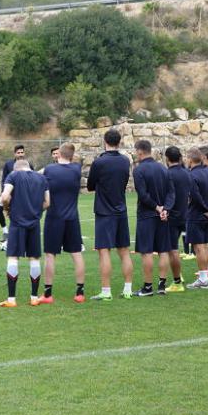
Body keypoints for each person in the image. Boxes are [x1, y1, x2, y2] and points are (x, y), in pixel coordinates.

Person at [86, 129, 133, 301]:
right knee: (124, 251)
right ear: (119, 142)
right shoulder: (125, 161)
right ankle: (128, 289)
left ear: (105, 141)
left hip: (104, 212)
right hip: (121, 209)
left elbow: (90, 185)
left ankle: (106, 291)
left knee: (104, 251)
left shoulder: (99, 162)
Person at [0, 159, 49, 307]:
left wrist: (6, 207)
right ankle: (34, 297)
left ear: (15, 169)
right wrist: (36, 211)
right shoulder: (42, 178)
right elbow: (47, 202)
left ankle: (12, 299)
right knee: (34, 259)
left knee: (13, 258)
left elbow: (5, 196)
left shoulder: (13, 176)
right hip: (34, 223)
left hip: (17, 223)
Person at [41, 142, 85, 304]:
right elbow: (74, 160)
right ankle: (80, 292)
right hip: (72, 218)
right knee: (76, 253)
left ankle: (47, 294)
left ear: (58, 154)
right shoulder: (76, 169)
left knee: (50, 255)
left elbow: (39, 179)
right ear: (72, 156)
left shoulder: (50, 169)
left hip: (54, 217)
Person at [131, 140, 175, 297]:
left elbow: (143, 195)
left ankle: (148, 287)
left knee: (147, 251)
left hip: (147, 215)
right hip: (163, 215)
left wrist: (157, 208)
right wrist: (166, 209)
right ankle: (161, 285)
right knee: (163, 250)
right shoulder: (164, 169)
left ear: (140, 152)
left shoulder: (138, 170)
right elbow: (171, 192)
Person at [185, 148, 208, 289]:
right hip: (207, 214)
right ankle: (205, 277)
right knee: (204, 246)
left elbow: (195, 196)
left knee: (199, 248)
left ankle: (203, 279)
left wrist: (206, 210)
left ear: (190, 160)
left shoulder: (191, 175)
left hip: (196, 215)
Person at [163, 146, 191, 293]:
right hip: (185, 214)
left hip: (172, 216)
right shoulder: (187, 173)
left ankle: (177, 282)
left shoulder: (167, 174)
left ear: (167, 159)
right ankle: (179, 275)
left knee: (172, 250)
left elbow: (166, 195)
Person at [0, 144, 31, 248]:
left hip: (23, 196)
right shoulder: (8, 164)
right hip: (10, 195)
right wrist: (4, 194)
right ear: (14, 154)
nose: (20, 154)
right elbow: (4, 179)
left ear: (24, 153)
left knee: (18, 216)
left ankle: (20, 239)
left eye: (22, 152)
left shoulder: (28, 165)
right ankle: (5, 231)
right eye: (18, 152)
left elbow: (32, 179)